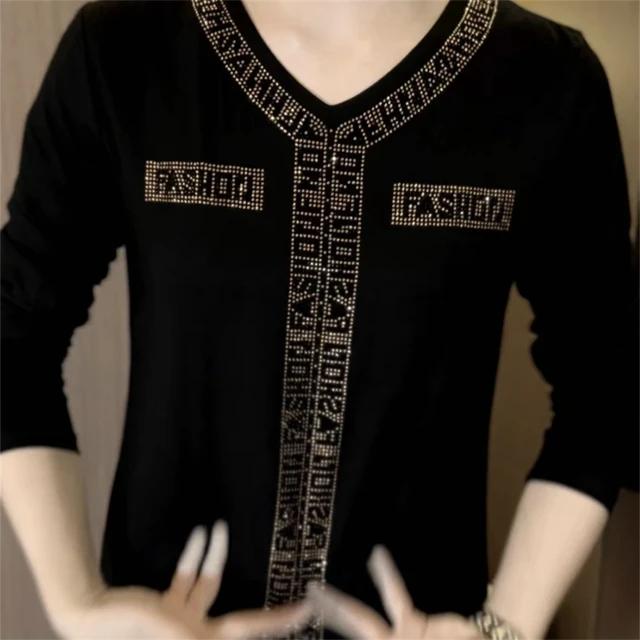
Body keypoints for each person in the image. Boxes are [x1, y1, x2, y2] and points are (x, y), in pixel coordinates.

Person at [1, 0, 636, 638]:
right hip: (162, 622)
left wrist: (506, 625)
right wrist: (75, 601)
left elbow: (605, 381)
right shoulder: (123, 50)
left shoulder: (547, 76)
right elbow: (14, 335)